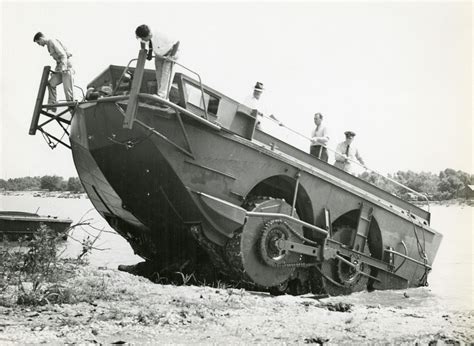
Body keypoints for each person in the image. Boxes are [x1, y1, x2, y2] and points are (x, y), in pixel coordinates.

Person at [135, 24, 180, 99]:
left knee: (166, 72)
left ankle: (162, 96)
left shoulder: (162, 35)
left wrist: (171, 56)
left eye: (143, 39)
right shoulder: (144, 37)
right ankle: (162, 97)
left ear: (149, 35)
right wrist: (143, 51)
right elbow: (142, 42)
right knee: (159, 75)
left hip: (171, 52)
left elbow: (177, 42)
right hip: (159, 54)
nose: (142, 40)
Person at [33, 32, 74, 111]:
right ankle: (52, 105)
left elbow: (63, 55)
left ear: (41, 39)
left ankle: (72, 109)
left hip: (66, 68)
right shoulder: (48, 45)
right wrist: (56, 72)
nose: (39, 44)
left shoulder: (52, 41)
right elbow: (58, 60)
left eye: (38, 42)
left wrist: (64, 67)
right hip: (60, 68)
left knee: (67, 90)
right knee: (51, 83)